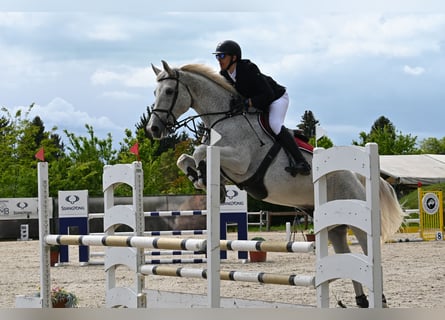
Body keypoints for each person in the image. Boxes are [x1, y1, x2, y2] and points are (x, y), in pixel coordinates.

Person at [213, 40, 311, 176]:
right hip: (258, 102)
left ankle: (302, 163)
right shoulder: (224, 75)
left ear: (234, 57)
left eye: (222, 56)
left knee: (275, 125)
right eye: (217, 56)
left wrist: (248, 103)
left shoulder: (248, 69)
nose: (219, 60)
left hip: (276, 98)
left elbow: (268, 94)